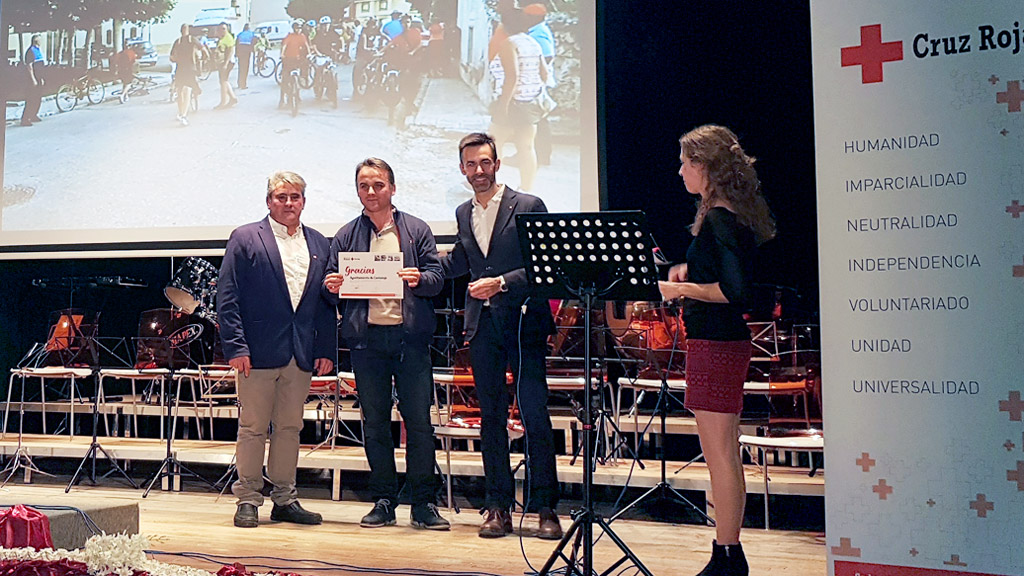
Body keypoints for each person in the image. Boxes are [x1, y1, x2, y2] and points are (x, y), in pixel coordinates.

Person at [657, 125, 775, 576]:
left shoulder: (721, 217)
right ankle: (728, 552)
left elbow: (734, 291)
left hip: (717, 343)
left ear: (705, 166)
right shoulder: (726, 214)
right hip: (720, 342)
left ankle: (728, 555)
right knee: (724, 452)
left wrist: (678, 288)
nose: (680, 171)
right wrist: (687, 272)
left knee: (720, 455)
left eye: (686, 162)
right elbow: (724, 275)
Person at [440, 132, 562, 540]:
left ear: (497, 163)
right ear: (462, 169)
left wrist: (502, 283)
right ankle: (497, 506)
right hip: (483, 326)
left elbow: (547, 265)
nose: (479, 170)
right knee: (490, 418)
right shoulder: (463, 212)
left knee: (534, 414)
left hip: (525, 324)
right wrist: (415, 267)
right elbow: (462, 261)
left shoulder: (528, 205)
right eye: (471, 164)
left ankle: (545, 507)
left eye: (485, 162)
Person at [322, 158, 449, 531]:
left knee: (419, 424)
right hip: (367, 341)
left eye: (378, 184)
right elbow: (330, 286)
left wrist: (420, 279)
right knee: (375, 424)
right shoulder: (346, 234)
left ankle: (423, 503)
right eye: (364, 185)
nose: (371, 191)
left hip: (410, 339)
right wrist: (331, 286)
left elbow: (437, 277)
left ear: (392, 188)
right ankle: (383, 500)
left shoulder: (416, 229)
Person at [218, 170, 337, 528]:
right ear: (268, 201)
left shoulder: (320, 243)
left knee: (289, 428)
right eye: (281, 197)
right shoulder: (245, 237)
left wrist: (325, 348)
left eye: (294, 197)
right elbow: (227, 297)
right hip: (254, 353)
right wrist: (236, 346)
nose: (288, 203)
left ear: (304, 201)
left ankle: (285, 499)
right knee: (253, 427)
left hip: (300, 353)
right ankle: (248, 499)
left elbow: (324, 303)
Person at [488, 8, 549, 192]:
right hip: (530, 102)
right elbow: (545, 74)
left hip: (513, 102)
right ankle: (526, 189)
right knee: (527, 147)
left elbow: (511, 77)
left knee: (494, 144)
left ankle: (490, 186)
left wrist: (503, 106)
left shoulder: (509, 43)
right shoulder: (532, 43)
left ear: (505, 25)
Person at [169, 24, 201, 126]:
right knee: (187, 90)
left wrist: (177, 59)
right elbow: (203, 49)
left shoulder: (177, 41)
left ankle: (181, 113)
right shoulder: (193, 40)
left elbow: (171, 57)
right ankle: (183, 115)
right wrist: (203, 58)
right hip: (190, 68)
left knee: (180, 91)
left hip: (180, 69)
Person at [279, 20, 311, 109]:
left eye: (300, 28)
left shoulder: (302, 36)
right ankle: (282, 99)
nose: (298, 30)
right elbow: (284, 45)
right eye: (297, 28)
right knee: (285, 79)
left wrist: (309, 54)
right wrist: (282, 54)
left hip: (297, 59)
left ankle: (297, 94)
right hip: (288, 59)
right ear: (294, 29)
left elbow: (306, 45)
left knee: (298, 77)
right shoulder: (290, 36)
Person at [20, 35, 45, 126]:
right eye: (39, 40)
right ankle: (25, 119)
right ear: (35, 41)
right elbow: (29, 67)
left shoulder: (39, 50)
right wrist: (33, 79)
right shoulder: (30, 51)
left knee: (38, 98)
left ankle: (34, 115)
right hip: (32, 79)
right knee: (31, 98)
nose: (41, 41)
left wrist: (41, 78)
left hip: (39, 78)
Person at [214, 23, 238, 108]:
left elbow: (230, 51)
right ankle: (232, 98)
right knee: (223, 81)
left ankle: (223, 102)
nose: (222, 31)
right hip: (222, 62)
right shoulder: (222, 38)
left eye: (224, 29)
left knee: (223, 81)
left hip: (227, 62)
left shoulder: (228, 38)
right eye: (220, 29)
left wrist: (225, 64)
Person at [235, 23, 255, 89]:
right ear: (248, 28)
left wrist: (236, 53)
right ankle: (243, 84)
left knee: (240, 68)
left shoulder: (240, 34)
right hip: (247, 51)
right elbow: (254, 42)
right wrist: (253, 50)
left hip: (240, 51)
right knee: (245, 68)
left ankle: (239, 83)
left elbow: (236, 44)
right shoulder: (251, 34)